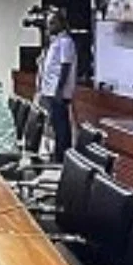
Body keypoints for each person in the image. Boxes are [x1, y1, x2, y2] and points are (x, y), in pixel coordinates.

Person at [37, 9, 77, 163]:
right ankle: (57, 153)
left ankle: (62, 156)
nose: (49, 26)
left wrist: (59, 90)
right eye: (48, 23)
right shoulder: (54, 41)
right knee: (54, 124)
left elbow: (65, 66)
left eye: (52, 23)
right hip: (49, 90)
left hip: (58, 91)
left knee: (61, 125)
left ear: (61, 23)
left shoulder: (66, 41)